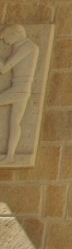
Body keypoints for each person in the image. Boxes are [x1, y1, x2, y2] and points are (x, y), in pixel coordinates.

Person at [0, 25, 39, 162]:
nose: (4, 41)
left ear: (16, 34)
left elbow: (5, 68)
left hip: (19, 89)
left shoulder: (28, 47)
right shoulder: (22, 46)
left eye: (6, 37)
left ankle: (10, 155)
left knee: (15, 121)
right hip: (20, 88)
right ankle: (10, 155)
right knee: (14, 122)